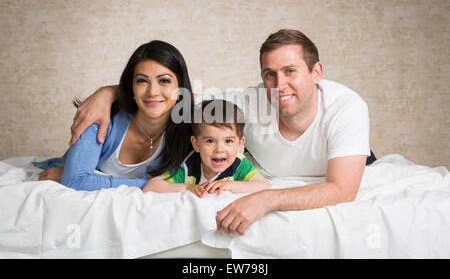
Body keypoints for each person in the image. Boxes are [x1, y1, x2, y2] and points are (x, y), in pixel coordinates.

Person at [68, 29, 373, 234]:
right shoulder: (251, 103)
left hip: (349, 158)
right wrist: (109, 93)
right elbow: (173, 96)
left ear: (316, 72)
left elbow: (342, 190)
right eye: (270, 74)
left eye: (290, 71)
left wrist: (266, 200)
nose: (279, 84)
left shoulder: (347, 108)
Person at [34, 40, 194, 191]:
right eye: (141, 81)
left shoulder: (190, 129)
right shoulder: (101, 117)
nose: (152, 92)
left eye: (164, 81)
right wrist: (155, 186)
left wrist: (94, 178)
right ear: (131, 85)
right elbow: (75, 181)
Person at [143, 100, 270, 197]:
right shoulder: (188, 166)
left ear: (240, 144)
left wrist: (229, 186)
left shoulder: (239, 163)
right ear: (196, 144)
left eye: (228, 141)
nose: (219, 149)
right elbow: (151, 186)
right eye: (210, 141)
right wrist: (187, 187)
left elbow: (264, 186)